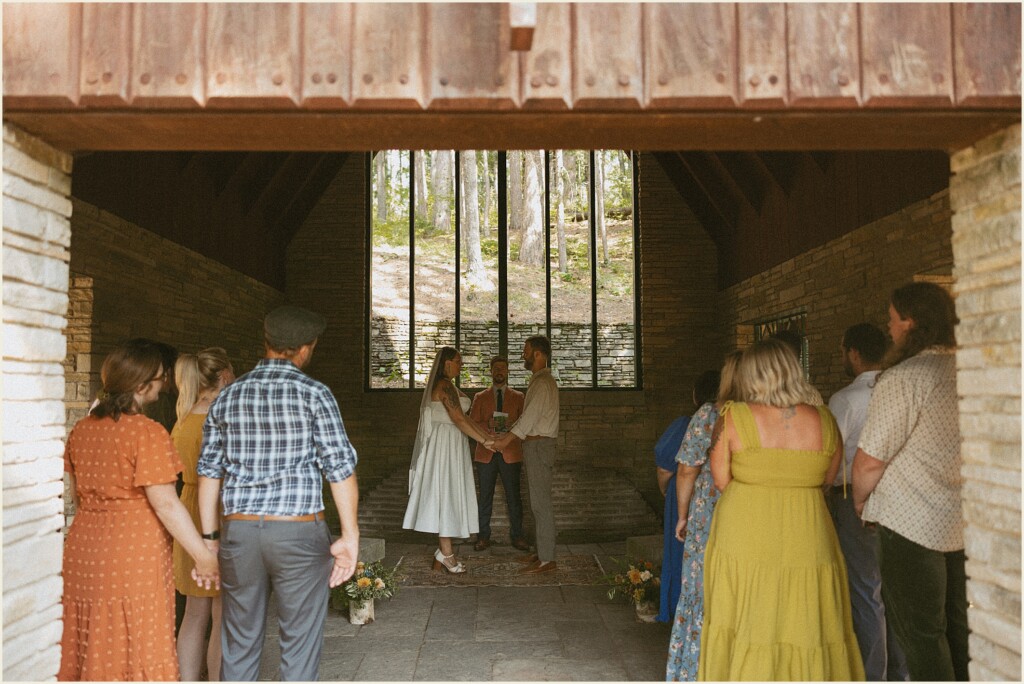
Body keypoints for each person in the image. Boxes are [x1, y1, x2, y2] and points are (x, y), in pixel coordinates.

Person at [196, 305, 360, 681]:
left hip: (239, 531)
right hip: (298, 531)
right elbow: (339, 469)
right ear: (305, 348)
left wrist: (209, 540)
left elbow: (209, 474)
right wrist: (349, 536)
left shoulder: (227, 396)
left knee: (238, 641)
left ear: (266, 341)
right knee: (299, 644)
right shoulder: (315, 394)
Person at [699, 339, 864, 680]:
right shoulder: (825, 419)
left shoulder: (734, 417)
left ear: (751, 375)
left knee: (747, 613)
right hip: (808, 531)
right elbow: (827, 480)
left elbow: (721, 479)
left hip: (745, 528)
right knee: (808, 618)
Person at [59, 339, 219, 681]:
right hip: (133, 553)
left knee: (92, 633)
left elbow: (77, 496)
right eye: (161, 378)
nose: (165, 384)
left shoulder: (81, 430)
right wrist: (203, 556)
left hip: (83, 549)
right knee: (136, 633)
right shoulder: (147, 432)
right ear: (142, 385)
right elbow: (166, 503)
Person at [853, 282, 967, 681]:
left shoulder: (905, 378)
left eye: (892, 318)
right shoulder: (969, 370)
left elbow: (870, 461)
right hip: (963, 521)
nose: (888, 327)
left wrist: (860, 501)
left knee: (921, 635)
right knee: (959, 630)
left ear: (911, 322)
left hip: (910, 522)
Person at [827, 324, 908, 681]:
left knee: (865, 591)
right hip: (902, 499)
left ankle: (872, 675)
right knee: (896, 591)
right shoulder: (901, 391)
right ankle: (901, 674)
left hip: (854, 499)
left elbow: (831, 458)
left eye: (843, 350)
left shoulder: (845, 400)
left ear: (854, 352)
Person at [665, 353, 739, 680]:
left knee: (701, 587)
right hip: (748, 511)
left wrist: (682, 515)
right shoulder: (766, 415)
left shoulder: (710, 414)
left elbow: (686, 470)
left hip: (709, 512)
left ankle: (697, 668)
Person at [173, 347, 235, 681]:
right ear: (224, 375)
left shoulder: (183, 418)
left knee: (193, 614)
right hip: (218, 510)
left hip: (187, 510)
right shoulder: (222, 418)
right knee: (223, 614)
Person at [403, 346, 495, 572]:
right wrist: (484, 442)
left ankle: (443, 553)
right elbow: (459, 420)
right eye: (458, 361)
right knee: (446, 494)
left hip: (454, 443)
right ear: (446, 363)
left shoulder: (450, 386)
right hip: (444, 446)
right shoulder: (443, 385)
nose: (461, 365)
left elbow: (465, 419)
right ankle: (446, 554)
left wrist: (488, 438)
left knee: (450, 494)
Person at [655, 369, 720, 625]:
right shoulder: (737, 419)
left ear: (696, 395)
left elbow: (666, 468)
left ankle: (678, 608)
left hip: (685, 495)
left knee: (680, 553)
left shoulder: (687, 423)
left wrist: (664, 490)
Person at [493, 334, 560, 575]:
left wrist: (505, 440)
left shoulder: (542, 383)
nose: (523, 354)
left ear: (538, 354)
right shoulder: (539, 380)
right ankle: (541, 552)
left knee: (541, 504)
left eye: (526, 350)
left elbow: (528, 419)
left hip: (540, 446)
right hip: (535, 446)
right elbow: (527, 419)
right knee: (536, 503)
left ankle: (547, 559)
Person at [468, 355, 530, 552]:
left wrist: (510, 427)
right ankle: (483, 537)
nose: (499, 371)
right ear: (491, 372)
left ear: (508, 371)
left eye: (503, 368)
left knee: (514, 497)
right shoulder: (480, 397)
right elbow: (471, 424)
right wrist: (488, 425)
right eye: (496, 368)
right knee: (484, 496)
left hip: (510, 453)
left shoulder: (519, 397)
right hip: (485, 453)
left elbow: (525, 423)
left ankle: (518, 536)